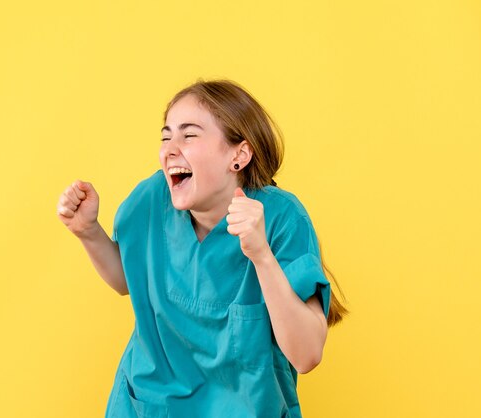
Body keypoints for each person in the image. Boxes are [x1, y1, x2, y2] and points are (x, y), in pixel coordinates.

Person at [57, 79, 348, 417]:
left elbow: (307, 354)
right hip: (150, 405)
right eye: (166, 136)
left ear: (238, 155)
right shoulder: (152, 198)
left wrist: (261, 256)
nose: (170, 149)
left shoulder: (282, 219)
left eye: (189, 135)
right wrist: (88, 232)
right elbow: (128, 279)